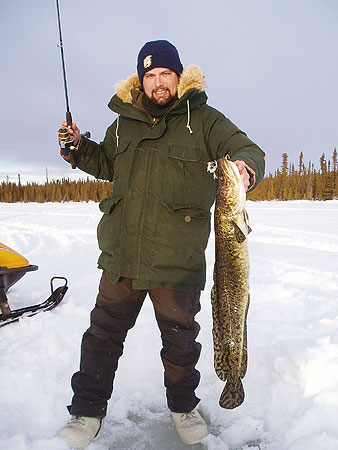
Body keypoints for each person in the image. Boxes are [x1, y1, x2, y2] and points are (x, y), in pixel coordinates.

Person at [56, 40, 265, 449]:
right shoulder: (123, 122)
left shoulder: (203, 119)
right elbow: (107, 163)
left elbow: (248, 149)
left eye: (165, 74)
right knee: (102, 335)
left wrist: (245, 167)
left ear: (178, 76)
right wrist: (79, 149)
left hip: (177, 257)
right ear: (141, 80)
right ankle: (86, 412)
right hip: (123, 253)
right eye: (149, 76)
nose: (157, 83)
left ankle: (183, 407)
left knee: (181, 340)